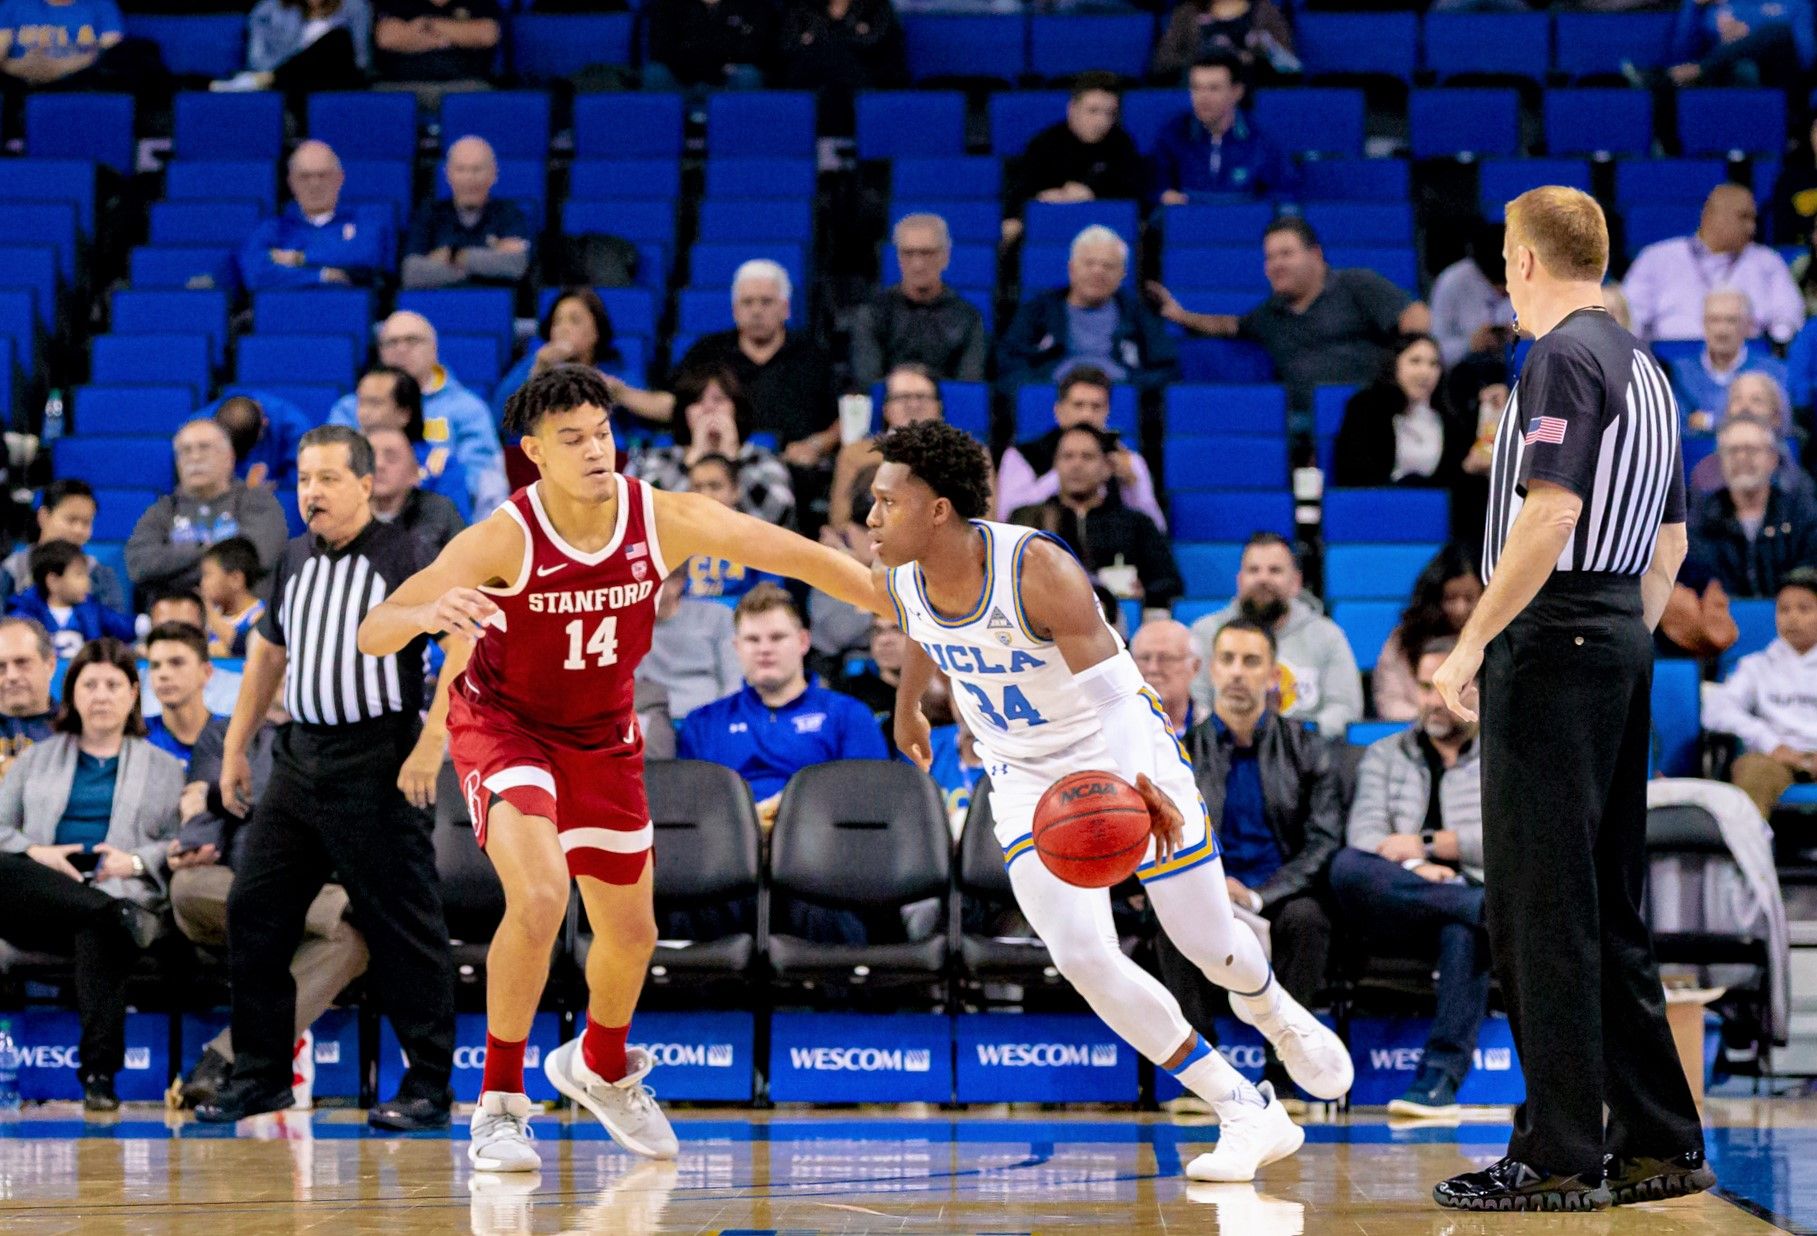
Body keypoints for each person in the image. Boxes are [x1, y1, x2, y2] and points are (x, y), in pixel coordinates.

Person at [354, 365, 882, 1170]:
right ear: (534, 453)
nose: (596, 450)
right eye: (573, 440)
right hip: (505, 726)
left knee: (632, 934)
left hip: (600, 735)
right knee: (537, 893)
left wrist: (896, 601)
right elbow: (375, 629)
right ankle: (498, 1103)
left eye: (602, 432)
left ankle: (599, 1067)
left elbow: (797, 556)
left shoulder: (661, 517)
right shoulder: (505, 534)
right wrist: (427, 613)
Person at [872, 419, 1351, 1184]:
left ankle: (1272, 1010)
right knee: (1083, 957)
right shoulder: (898, 573)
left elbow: (1116, 695)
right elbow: (919, 628)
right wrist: (908, 709)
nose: (869, 517)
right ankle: (1242, 1109)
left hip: (1114, 753)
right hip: (1024, 778)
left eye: (885, 502)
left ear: (937, 511)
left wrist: (1140, 783)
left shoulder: (1035, 568)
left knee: (1206, 943)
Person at [1429, 185, 1710, 1211]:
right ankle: (1657, 1141)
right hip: (1619, 633)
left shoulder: (1557, 357)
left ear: (1522, 261)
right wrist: (1618, 637)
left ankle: (1555, 1154)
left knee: (1538, 910)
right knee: (1603, 907)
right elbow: (1669, 543)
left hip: (1555, 637)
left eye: (1506, 257)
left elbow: (1547, 516)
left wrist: (1470, 645)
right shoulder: (1649, 369)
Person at [196, 426, 461, 1132]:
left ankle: (430, 1085)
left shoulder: (407, 556)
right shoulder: (291, 559)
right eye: (305, 479)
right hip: (299, 757)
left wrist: (429, 747)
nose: (311, 492)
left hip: (379, 759)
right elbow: (266, 658)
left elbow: (465, 649)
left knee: (403, 925)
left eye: (328, 479)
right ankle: (260, 1077)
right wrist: (234, 751)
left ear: (366, 484)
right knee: (254, 910)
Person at [0, 638, 182, 1112]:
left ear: (133, 693)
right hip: (42, 898)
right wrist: (37, 851)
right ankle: (112, 913)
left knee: (97, 926)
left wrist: (136, 861)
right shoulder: (34, 760)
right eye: (89, 684)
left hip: (115, 892)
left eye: (113, 685)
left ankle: (99, 1075)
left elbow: (181, 843)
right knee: (15, 871)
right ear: (72, 693)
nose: (100, 696)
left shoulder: (165, 769)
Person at [1163, 618, 1340, 1097]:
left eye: (1251, 661)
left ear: (1272, 675)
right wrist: (1209, 887)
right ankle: (1206, 1080)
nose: (1238, 673)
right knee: (1168, 921)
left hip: (1280, 893)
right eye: (1228, 660)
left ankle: (1283, 1077)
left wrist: (1260, 895)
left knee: (1308, 919)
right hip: (1207, 891)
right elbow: (1167, 839)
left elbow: (1323, 842)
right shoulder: (1178, 753)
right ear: (1211, 671)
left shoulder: (1307, 747)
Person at [168, 695, 368, 1111]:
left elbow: (317, 808)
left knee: (350, 945)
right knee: (187, 886)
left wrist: (220, 796)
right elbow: (207, 809)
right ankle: (342, 905)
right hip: (230, 886)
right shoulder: (224, 731)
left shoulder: (340, 734)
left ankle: (223, 1058)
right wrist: (197, 831)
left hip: (310, 882)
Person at [1329, 637, 1490, 1118]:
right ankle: (1488, 911)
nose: (1435, 700)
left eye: (1449, 687)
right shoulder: (1384, 753)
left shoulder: (1503, 755)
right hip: (1398, 899)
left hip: (1463, 895)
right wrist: (1424, 869)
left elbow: (1505, 839)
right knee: (1346, 868)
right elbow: (1366, 836)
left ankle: (1437, 1082)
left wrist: (1424, 844)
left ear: (1478, 691)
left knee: (1464, 929)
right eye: (1426, 687)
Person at [1151, 217, 1432, 410]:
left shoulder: (1356, 283)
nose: (1275, 264)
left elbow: (1415, 315)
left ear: (1316, 255)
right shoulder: (1270, 313)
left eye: (1286, 254)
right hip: (1302, 425)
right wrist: (1181, 315)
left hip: (1371, 411)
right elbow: (1228, 325)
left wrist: (1405, 372)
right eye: (1270, 257)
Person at [678, 583, 888, 824]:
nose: (764, 649)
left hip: (821, 850)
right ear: (737, 648)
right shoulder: (703, 723)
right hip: (730, 851)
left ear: (803, 641)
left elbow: (868, 805)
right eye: (752, 639)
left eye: (777, 637)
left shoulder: (849, 716)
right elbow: (693, 815)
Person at [613, 261, 839, 466]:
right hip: (712, 462)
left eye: (766, 302)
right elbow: (675, 403)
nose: (757, 310)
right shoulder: (708, 351)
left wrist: (818, 445)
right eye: (748, 302)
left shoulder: (813, 355)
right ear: (735, 311)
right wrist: (620, 393)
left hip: (794, 465)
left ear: (786, 308)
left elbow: (847, 414)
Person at [328, 314, 507, 517]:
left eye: (412, 340)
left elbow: (483, 482)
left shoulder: (467, 409)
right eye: (391, 342)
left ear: (434, 349)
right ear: (380, 351)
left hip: (444, 510)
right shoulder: (349, 408)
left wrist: (418, 487)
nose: (401, 349)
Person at [1188, 532, 1364, 739]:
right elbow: (1196, 704)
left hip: (1305, 759)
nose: (1263, 578)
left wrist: (1294, 741)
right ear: (1240, 580)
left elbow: (1345, 708)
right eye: (1254, 570)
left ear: (1296, 582)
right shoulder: (1206, 632)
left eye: (1275, 570)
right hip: (1222, 753)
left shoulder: (1327, 636)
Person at [1008, 425, 1184, 611]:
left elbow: (1170, 582)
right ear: (1056, 465)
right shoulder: (1027, 520)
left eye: (1087, 457)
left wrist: (1145, 593)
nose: (1076, 465)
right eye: (1067, 456)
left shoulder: (1135, 523)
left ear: (1107, 468)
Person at [997, 227, 1179, 398]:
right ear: (1072, 269)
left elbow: (1167, 370)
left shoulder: (1137, 313)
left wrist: (1130, 387)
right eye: (1089, 263)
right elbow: (1009, 365)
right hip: (1052, 398)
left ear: (1122, 274)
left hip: (1119, 400)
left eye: (1108, 266)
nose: (1097, 272)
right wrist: (1043, 389)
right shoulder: (1038, 311)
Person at [125, 419, 289, 599]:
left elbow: (256, 559)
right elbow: (139, 565)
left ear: (229, 457)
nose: (194, 457)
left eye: (204, 447)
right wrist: (211, 552)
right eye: (186, 450)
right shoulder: (162, 510)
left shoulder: (258, 502)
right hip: (176, 619)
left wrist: (173, 570)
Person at [1621, 185, 1803, 346]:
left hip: (1748, 362)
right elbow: (1630, 316)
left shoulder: (1767, 261)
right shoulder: (1658, 257)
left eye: (1754, 219)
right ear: (1711, 215)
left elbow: (1789, 315)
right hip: (1671, 361)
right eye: (1744, 217)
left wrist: (1775, 345)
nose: (1752, 227)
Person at [624, 366, 795, 528]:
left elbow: (780, 514)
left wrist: (731, 463)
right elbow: (645, 517)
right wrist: (693, 462)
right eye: (697, 401)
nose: (708, 408)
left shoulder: (762, 459)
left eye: (718, 399)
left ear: (736, 408)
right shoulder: (658, 459)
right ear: (684, 412)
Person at [1706, 567, 1817, 817]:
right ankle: (1748, 856)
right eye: (1784, 609)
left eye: (1804, 609)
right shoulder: (1756, 666)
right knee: (1752, 772)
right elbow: (1715, 711)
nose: (1792, 618)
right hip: (1775, 757)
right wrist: (1767, 740)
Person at [995, 365, 1164, 528]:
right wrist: (1062, 475)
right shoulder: (1022, 455)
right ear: (1059, 411)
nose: (1087, 415)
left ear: (1107, 412)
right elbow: (1006, 517)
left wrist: (1132, 486)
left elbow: (1156, 529)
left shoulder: (1129, 461)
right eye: (1078, 405)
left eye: (1096, 407)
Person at [849, 215, 988, 386]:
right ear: (898, 258)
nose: (918, 265)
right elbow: (867, 381)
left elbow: (968, 385)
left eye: (927, 253)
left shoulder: (967, 318)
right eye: (908, 253)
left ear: (945, 257)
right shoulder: (873, 313)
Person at [1689, 413, 1817, 598]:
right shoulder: (1701, 520)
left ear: (1773, 458)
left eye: (1751, 450)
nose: (1741, 458)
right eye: (1732, 450)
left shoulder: (1800, 512)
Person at [1006, 72, 1147, 233]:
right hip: (1050, 223)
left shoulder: (1122, 144)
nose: (1102, 121)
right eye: (1093, 111)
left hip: (1104, 228)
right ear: (1072, 109)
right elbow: (1020, 194)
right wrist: (1045, 198)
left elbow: (1135, 197)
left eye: (1110, 113)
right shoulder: (1044, 144)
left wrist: (1092, 194)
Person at [1150, 53, 1298, 206]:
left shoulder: (1262, 137)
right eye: (1196, 88)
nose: (1203, 97)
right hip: (1189, 223)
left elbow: (1284, 191)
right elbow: (1155, 188)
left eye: (1213, 88)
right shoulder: (1172, 133)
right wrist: (1163, 196)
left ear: (1237, 92)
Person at [240, 141, 388, 291]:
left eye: (323, 175)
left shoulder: (364, 222)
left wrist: (298, 258)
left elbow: (365, 256)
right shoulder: (273, 228)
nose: (314, 184)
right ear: (291, 182)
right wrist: (323, 275)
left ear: (340, 179)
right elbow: (255, 274)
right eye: (305, 177)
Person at [1332, 334, 1469, 489]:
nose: (1425, 372)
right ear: (1394, 365)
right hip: (1377, 506)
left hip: (1432, 508)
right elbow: (1352, 473)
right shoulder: (1365, 408)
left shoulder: (1450, 419)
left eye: (1433, 364)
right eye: (1415, 361)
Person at [830, 364, 947, 537]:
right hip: (867, 549)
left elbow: (982, 522)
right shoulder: (855, 454)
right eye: (902, 397)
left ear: (939, 407)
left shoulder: (970, 455)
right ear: (886, 409)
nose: (913, 405)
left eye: (922, 397)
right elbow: (839, 521)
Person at [402, 136, 532, 290]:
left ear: (493, 175)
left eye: (476, 169)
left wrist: (453, 255)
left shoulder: (510, 214)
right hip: (439, 305)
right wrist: (486, 266)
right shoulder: (428, 214)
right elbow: (411, 273)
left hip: (494, 305)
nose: (469, 178)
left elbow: (515, 266)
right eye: (461, 169)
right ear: (448, 174)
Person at [344, 364, 473, 520]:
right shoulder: (344, 461)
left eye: (375, 403)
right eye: (361, 403)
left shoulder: (440, 466)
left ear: (404, 413)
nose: (363, 413)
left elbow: (455, 529)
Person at [1374, 546, 1482, 723]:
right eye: (1451, 598)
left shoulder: (1500, 642)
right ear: (1435, 597)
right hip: (1416, 735)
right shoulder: (1404, 640)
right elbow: (1390, 702)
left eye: (1470, 599)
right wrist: (1436, 722)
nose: (1460, 609)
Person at [1667, 289, 1789, 437]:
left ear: (1748, 326)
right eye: (1714, 320)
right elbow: (1679, 429)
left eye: (1731, 321)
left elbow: (1778, 425)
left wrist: (1709, 421)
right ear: (1704, 324)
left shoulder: (1774, 371)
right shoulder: (1679, 371)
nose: (1722, 330)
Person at [492, 288, 621, 424]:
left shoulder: (614, 368)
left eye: (574, 321)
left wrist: (620, 393)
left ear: (597, 332)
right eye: (556, 322)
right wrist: (540, 369)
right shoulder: (534, 363)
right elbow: (499, 418)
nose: (563, 329)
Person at [775, 0, 906, 133]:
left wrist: (819, 40)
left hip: (864, 79)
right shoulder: (801, 6)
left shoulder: (875, 7)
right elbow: (787, 46)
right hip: (813, 78)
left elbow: (879, 45)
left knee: (839, 61)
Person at [2, 480, 126, 613]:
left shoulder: (98, 574)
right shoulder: (12, 569)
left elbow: (116, 625)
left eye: (86, 523)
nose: (78, 530)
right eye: (71, 520)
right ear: (43, 517)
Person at [678, 455, 786, 605]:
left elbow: (771, 594)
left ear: (736, 491)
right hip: (687, 621)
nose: (705, 495)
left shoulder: (759, 536)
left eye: (715, 486)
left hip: (741, 619)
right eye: (697, 487)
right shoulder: (676, 536)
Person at [640, 568, 741, 720]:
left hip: (707, 714)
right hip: (652, 716)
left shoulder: (717, 616)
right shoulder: (626, 624)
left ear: (679, 582)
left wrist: (724, 719)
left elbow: (733, 679)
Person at [8, 540, 135, 658]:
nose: (87, 582)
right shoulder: (24, 616)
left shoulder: (93, 611)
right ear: (53, 581)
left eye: (86, 574)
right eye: (79, 574)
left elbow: (122, 626)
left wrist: (143, 624)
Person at [217, 0, 369, 96]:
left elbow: (360, 62)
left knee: (338, 38)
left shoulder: (354, 7)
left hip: (334, 81)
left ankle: (265, 80)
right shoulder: (269, 9)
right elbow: (256, 61)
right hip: (293, 83)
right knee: (297, 79)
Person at [368, 424, 467, 558]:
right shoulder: (344, 513)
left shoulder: (440, 513)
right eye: (370, 458)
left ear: (414, 471)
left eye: (391, 458)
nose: (379, 465)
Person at [1663, 0, 1811, 87]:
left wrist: (1750, 39)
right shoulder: (1719, 7)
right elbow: (1682, 58)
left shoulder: (1795, 4)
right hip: (1720, 82)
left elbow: (1807, 57)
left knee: (1777, 32)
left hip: (1777, 82)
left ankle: (1705, 68)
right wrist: (1693, 7)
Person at [1430, 221, 1515, 370]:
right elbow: (1433, 351)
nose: (1506, 293)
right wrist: (1469, 345)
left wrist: (1523, 337)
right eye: (1502, 288)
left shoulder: (1534, 277)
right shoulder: (1452, 282)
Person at [642, 0, 774, 92]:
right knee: (655, 73)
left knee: (748, 75)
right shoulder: (669, 5)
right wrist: (716, 66)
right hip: (682, 76)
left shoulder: (753, 5)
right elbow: (663, 49)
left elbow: (754, 49)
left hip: (727, 81)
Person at [1150, 0, 1297, 82]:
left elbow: (1293, 68)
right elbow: (1162, 63)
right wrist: (1205, 55)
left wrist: (1265, 50)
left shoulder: (1266, 12)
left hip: (1252, 90)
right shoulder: (1186, 14)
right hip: (1199, 91)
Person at [143, 622, 226, 765]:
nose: (163, 674)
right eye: (155, 666)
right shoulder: (138, 737)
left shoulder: (233, 736)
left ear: (206, 672)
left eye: (176, 663)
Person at [0, 0, 122, 96]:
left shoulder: (102, 5)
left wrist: (61, 67)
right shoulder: (13, 4)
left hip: (80, 86)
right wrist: (20, 67)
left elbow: (109, 54)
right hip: (19, 86)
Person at [372, 0, 499, 83]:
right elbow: (385, 38)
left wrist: (426, 25)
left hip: (466, 86)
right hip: (400, 87)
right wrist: (458, 34)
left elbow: (487, 35)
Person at [211, 392, 313, 491]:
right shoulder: (199, 429)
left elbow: (302, 482)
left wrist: (274, 491)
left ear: (264, 423)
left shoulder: (297, 430)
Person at [0, 616, 56, 779]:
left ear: (50, 665)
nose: (11, 676)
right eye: (1, 667)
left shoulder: (75, 729)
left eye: (22, 662)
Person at [198, 537, 267, 659]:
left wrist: (210, 615)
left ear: (236, 579)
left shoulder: (261, 615)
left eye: (208, 575)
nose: (202, 583)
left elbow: (248, 648)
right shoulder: (206, 616)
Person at [1131, 618, 1201, 737]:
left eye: (1165, 658)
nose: (1152, 668)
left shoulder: (1215, 730)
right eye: (1144, 658)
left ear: (1194, 667)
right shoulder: (1114, 728)